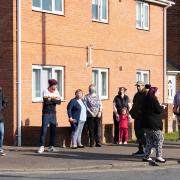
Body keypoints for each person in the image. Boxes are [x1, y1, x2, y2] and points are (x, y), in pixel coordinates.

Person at [142, 87, 166, 163]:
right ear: (154, 92)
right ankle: (158, 156)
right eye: (158, 92)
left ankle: (146, 156)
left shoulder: (146, 99)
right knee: (160, 138)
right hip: (153, 124)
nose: (159, 93)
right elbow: (159, 110)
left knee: (150, 140)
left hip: (146, 124)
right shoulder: (153, 99)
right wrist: (162, 107)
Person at [37, 79, 61, 153]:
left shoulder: (56, 91)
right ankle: (41, 146)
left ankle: (51, 146)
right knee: (44, 130)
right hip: (46, 113)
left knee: (53, 130)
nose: (56, 86)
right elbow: (46, 102)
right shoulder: (45, 91)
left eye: (56, 84)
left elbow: (59, 102)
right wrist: (54, 100)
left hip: (53, 113)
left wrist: (51, 99)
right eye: (55, 85)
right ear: (51, 85)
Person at [130, 81, 146, 156]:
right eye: (137, 86)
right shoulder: (136, 94)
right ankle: (140, 149)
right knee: (137, 133)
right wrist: (132, 112)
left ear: (143, 86)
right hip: (136, 117)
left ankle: (146, 148)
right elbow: (134, 104)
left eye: (139, 86)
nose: (137, 87)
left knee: (142, 133)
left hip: (143, 117)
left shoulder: (145, 94)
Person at [0, 87, 7, 156]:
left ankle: (0, 149)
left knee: (2, 133)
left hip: (0, 118)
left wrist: (2, 107)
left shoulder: (1, 94)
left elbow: (5, 101)